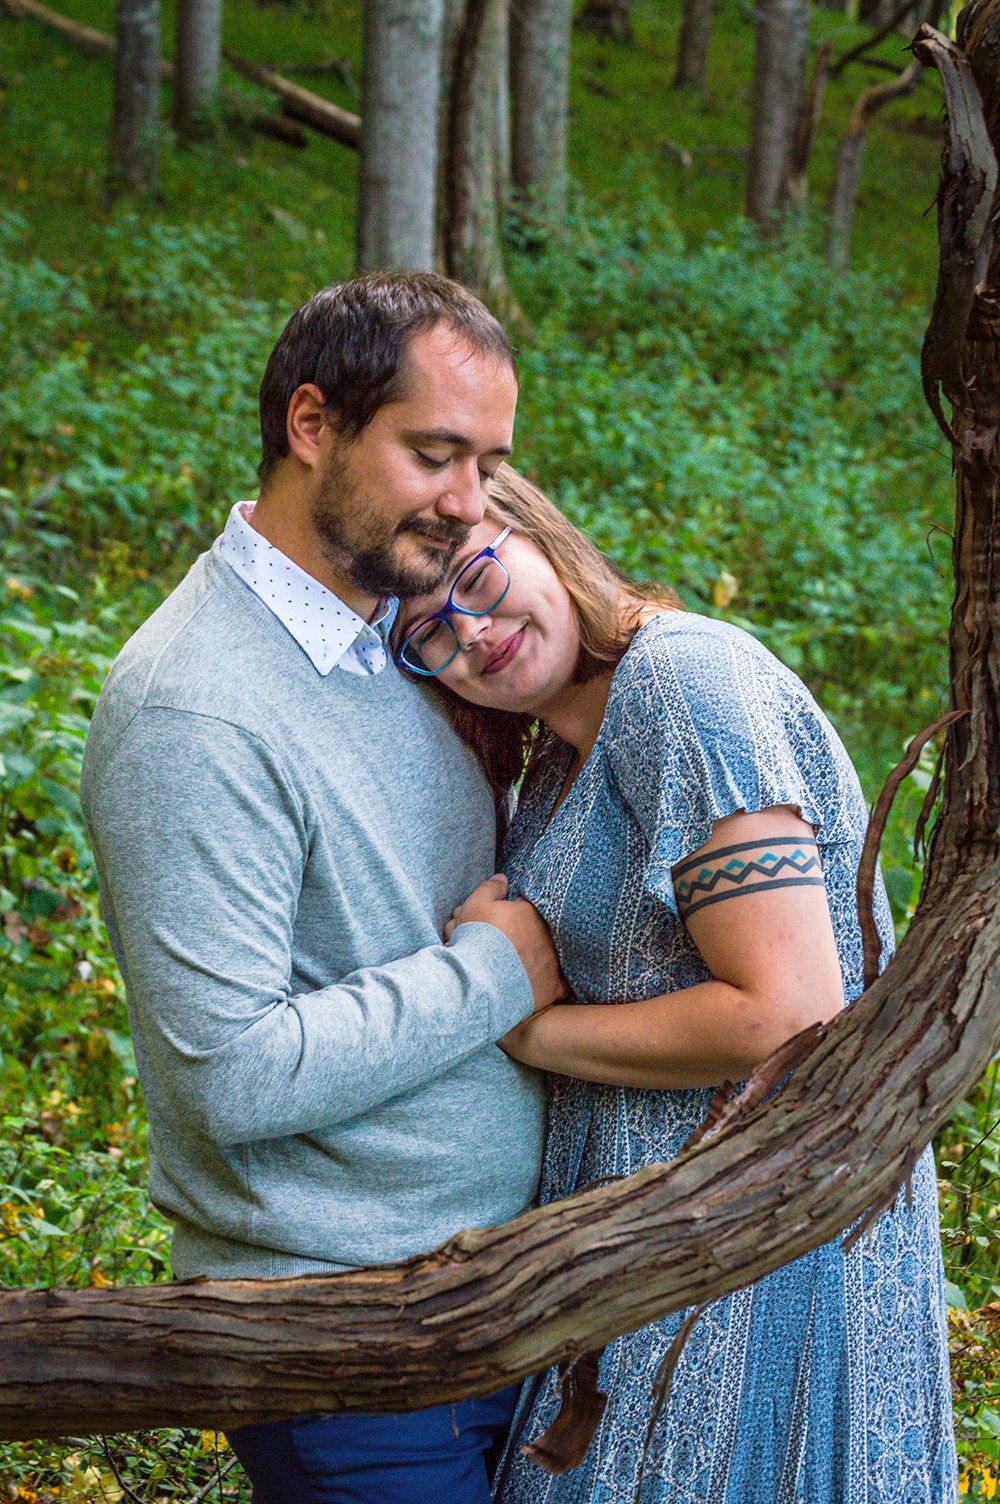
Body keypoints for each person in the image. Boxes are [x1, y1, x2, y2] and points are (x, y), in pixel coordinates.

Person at [79, 274, 568, 1504]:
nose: (471, 505)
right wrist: (493, 974)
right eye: (434, 453)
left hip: (493, 1296)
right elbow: (227, 1070)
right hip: (339, 1328)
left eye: (491, 462)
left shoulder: (404, 636)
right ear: (312, 425)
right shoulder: (193, 706)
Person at [394, 464, 958, 1504]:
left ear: (535, 534)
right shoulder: (572, 741)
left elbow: (787, 1008)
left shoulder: (682, 684)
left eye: (473, 576)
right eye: (425, 633)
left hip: (757, 1257)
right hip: (657, 1260)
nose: (466, 633)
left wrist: (529, 1028)